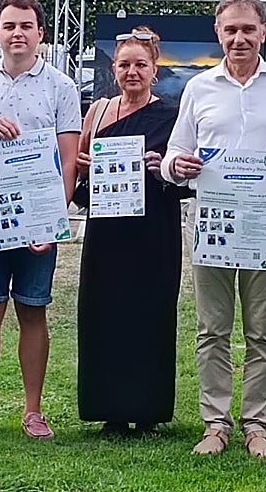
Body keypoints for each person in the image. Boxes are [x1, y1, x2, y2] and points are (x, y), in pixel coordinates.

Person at [162, 0, 266, 459]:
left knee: (261, 329)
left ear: (264, 31)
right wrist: (178, 167)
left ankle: (256, 425)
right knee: (212, 328)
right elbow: (172, 155)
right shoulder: (198, 88)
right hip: (212, 221)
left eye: (248, 29)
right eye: (231, 30)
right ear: (219, 34)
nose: (240, 38)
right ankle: (215, 424)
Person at [0, 0, 81, 440]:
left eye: (26, 26)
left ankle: (32, 411)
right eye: (9, 26)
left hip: (37, 224)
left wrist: (53, 221)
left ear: (41, 34)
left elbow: (68, 161)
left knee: (33, 312)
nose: (17, 34)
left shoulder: (61, 87)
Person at [75, 26, 186, 437]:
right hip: (106, 233)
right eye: (124, 65)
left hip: (153, 232)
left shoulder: (172, 115)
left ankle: (148, 411)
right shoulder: (98, 111)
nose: (132, 72)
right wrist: (85, 169)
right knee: (104, 315)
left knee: (149, 315)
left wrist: (164, 168)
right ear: (114, 69)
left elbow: (184, 178)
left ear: (155, 69)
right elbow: (81, 174)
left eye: (141, 64)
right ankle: (110, 410)